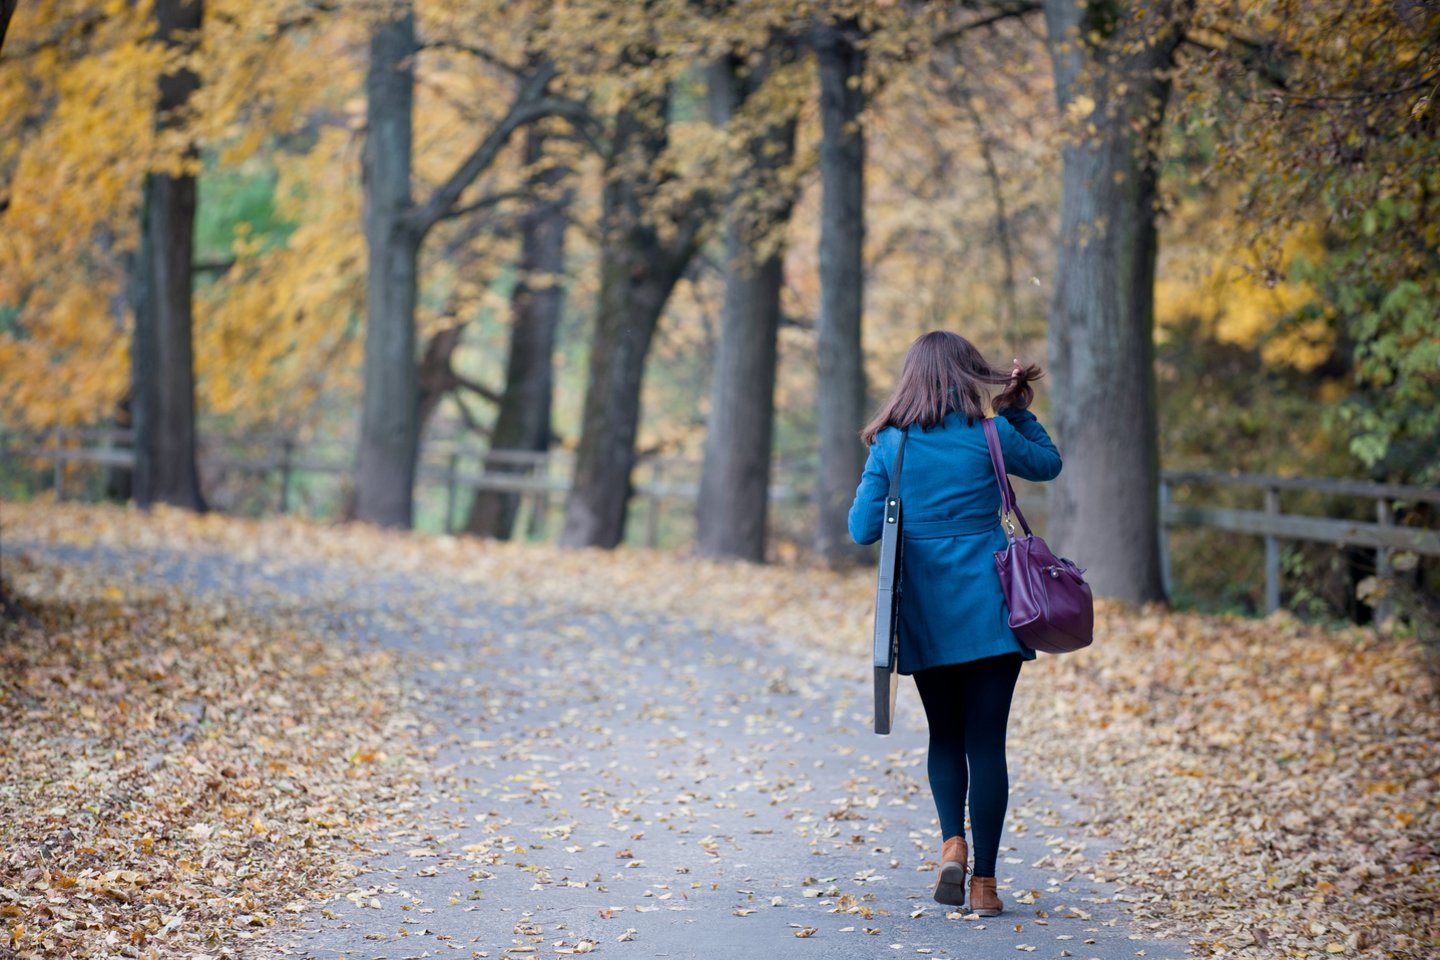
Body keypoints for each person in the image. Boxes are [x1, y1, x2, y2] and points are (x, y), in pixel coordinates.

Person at [847, 330, 1062, 916]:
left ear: (909, 378)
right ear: (969, 376)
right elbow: (1048, 465)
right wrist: (1018, 414)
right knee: (986, 744)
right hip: (994, 611)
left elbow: (862, 530)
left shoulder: (892, 445)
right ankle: (986, 885)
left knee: (946, 736)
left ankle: (951, 844)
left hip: (924, 614)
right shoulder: (992, 435)